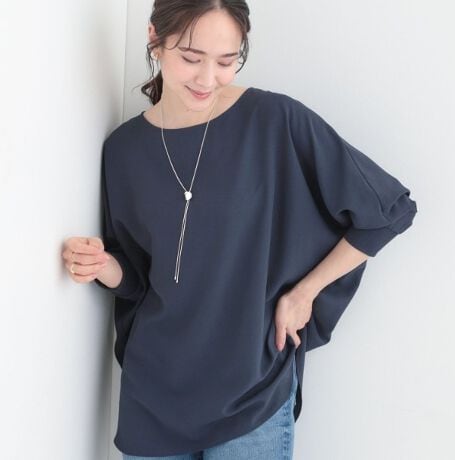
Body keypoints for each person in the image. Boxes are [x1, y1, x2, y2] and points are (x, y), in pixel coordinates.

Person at [61, 1, 418, 459]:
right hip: (155, 395)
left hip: (252, 392)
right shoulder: (124, 151)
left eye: (226, 61)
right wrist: (102, 265)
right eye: (191, 58)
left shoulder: (273, 120)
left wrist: (304, 293)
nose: (207, 78)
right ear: (154, 38)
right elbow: (138, 279)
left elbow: (387, 211)